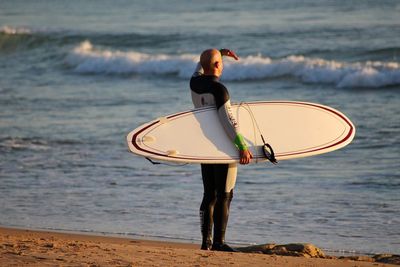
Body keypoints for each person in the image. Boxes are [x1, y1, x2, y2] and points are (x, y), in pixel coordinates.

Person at [190, 48, 253, 252]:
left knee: (209, 194)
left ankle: (205, 242)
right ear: (217, 66)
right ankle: (218, 242)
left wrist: (216, 54)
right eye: (221, 63)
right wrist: (242, 146)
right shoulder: (219, 89)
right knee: (225, 194)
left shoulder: (194, 83)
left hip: (205, 147)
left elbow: (200, 66)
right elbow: (228, 121)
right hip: (225, 148)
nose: (223, 66)